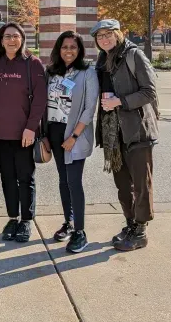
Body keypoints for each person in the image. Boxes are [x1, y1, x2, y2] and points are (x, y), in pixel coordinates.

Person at [90, 19, 158, 252]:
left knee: (141, 183)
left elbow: (149, 91)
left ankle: (141, 230)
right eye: (99, 36)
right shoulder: (102, 60)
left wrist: (121, 101)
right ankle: (130, 223)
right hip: (113, 132)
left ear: (118, 34)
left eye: (108, 34)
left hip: (137, 130)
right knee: (122, 185)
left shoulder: (134, 55)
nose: (104, 39)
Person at [0, 22, 47, 243]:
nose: (11, 40)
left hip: (24, 134)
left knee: (25, 177)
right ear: (1, 40)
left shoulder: (32, 64)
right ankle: (13, 217)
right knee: (7, 178)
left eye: (15, 36)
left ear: (22, 39)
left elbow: (40, 100)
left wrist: (31, 127)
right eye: (7, 36)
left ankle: (26, 220)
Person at [40, 31, 99, 254]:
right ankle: (69, 221)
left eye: (73, 47)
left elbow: (89, 109)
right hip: (54, 131)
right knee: (63, 180)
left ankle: (80, 232)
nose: (69, 51)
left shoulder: (87, 73)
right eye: (65, 47)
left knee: (74, 182)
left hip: (74, 133)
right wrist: (45, 132)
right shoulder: (52, 72)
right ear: (58, 49)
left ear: (80, 50)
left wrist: (74, 137)